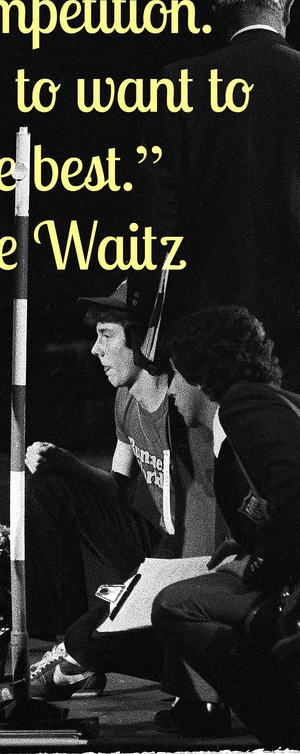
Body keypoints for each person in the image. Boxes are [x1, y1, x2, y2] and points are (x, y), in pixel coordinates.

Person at [19, 279, 205, 698]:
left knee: (88, 642)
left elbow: (203, 522)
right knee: (49, 485)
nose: (95, 349)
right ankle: (65, 644)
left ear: (140, 340)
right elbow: (118, 488)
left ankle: (194, 672)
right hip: (159, 545)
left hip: (188, 557)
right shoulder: (125, 398)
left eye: (106, 336)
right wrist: (66, 463)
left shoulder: (184, 404)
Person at [145, 0, 300, 391]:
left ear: (220, 16)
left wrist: (148, 314)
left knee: (223, 424)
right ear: (288, 12)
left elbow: (158, 210)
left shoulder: (178, 82)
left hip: (209, 310)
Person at [151, 305, 300, 748]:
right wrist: (246, 542)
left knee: (174, 605)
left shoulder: (244, 406)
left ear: (200, 374)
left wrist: (256, 568)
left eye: (176, 374)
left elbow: (294, 494)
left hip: (290, 588)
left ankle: (284, 730)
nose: (171, 389)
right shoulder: (270, 403)